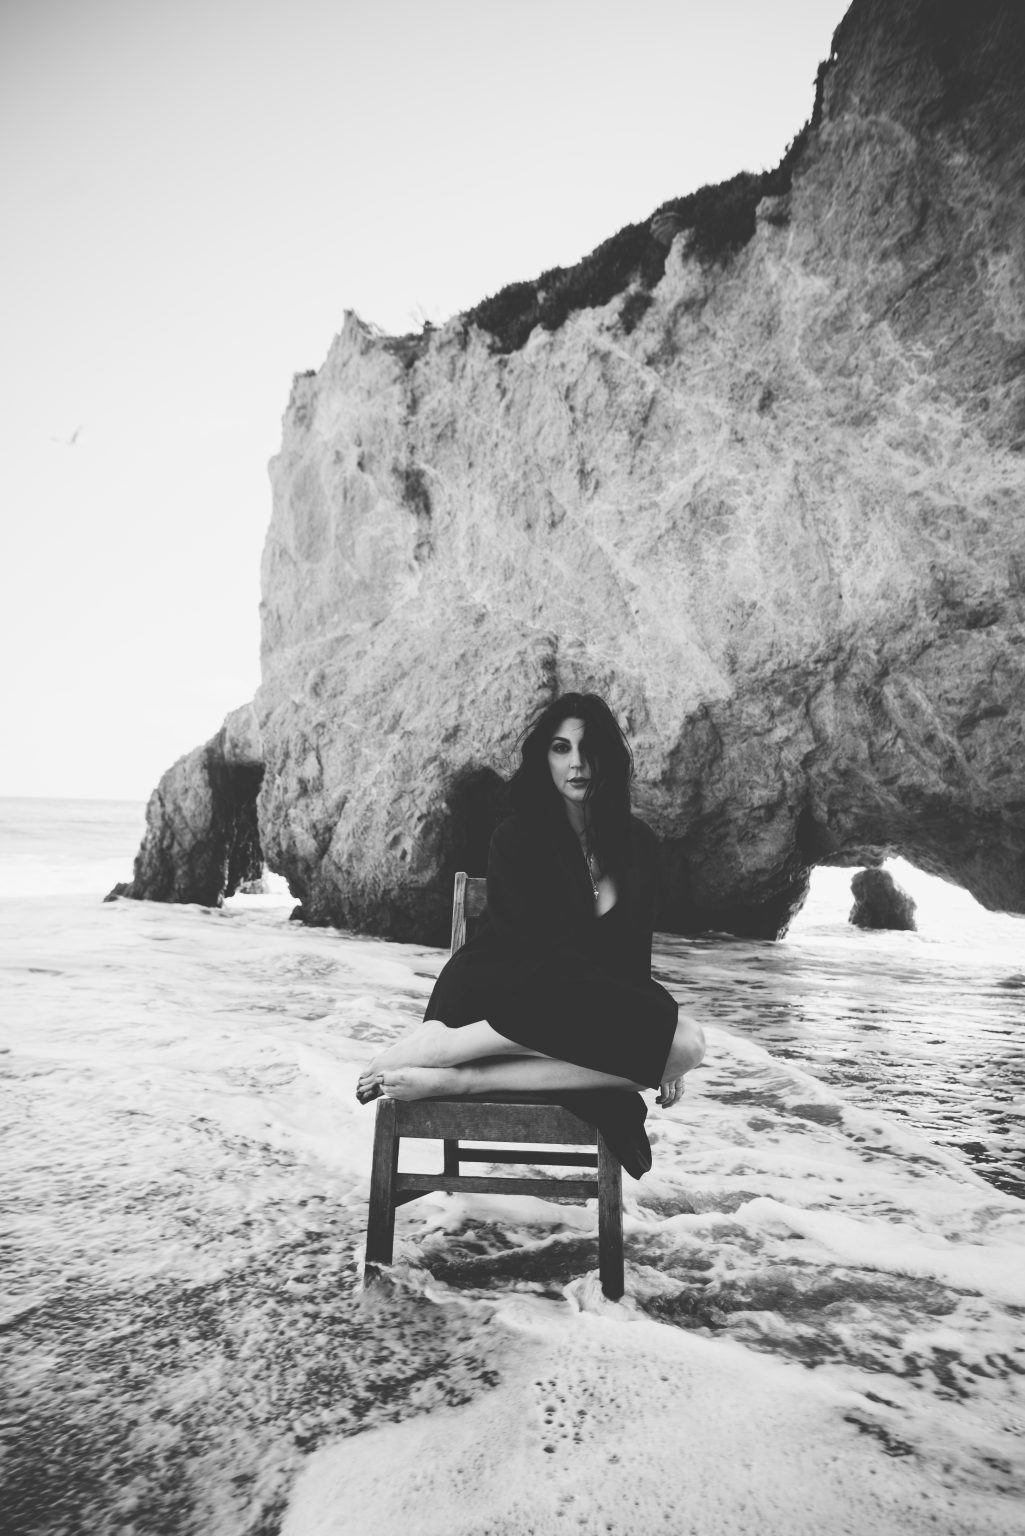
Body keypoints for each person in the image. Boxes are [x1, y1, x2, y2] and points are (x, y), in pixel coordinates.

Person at [356, 694, 705, 1135]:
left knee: (686, 1046)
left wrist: (658, 1042)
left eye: (589, 748)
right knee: (663, 1048)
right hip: (501, 1002)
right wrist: (646, 1036)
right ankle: (444, 1047)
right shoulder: (517, 837)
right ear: (545, 759)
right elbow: (528, 956)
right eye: (561, 748)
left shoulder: (639, 844)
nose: (577, 763)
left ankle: (461, 1077)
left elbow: (632, 957)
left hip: (577, 1009)